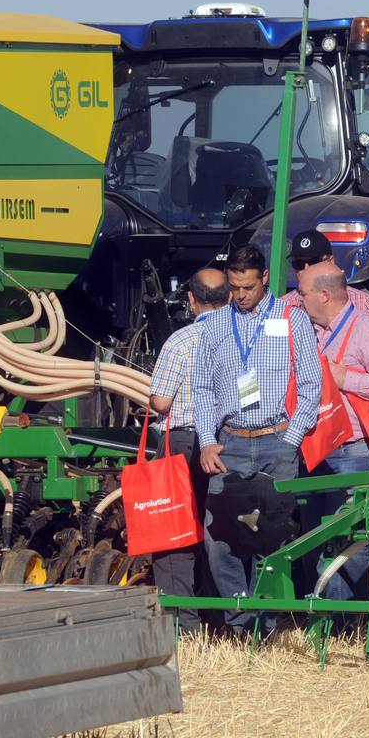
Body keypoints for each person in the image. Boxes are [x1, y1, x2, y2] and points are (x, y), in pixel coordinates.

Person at [191, 244, 322, 634]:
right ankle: (239, 623)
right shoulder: (213, 326)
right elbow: (201, 390)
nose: (241, 295)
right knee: (220, 538)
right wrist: (206, 441)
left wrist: (291, 440)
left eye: (248, 287)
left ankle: (268, 625)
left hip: (275, 441)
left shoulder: (291, 319)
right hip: (228, 443)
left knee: (272, 537)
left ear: (264, 278)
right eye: (234, 287)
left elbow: (313, 385)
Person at [296, 262, 369, 600]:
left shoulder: (366, 329)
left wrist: (346, 379)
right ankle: (339, 622)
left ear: (324, 295)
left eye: (303, 294)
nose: (298, 301)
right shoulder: (312, 331)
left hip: (352, 451)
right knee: (320, 539)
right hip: (315, 449)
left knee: (353, 542)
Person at [146, 268, 229, 634]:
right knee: (221, 531)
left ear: (192, 300)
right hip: (227, 443)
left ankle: (184, 625)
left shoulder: (180, 341)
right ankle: (224, 618)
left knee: (175, 533)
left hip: (180, 443)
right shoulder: (237, 339)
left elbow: (161, 403)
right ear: (229, 297)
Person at [281, 229, 369, 316]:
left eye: (313, 262)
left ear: (330, 261)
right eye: (299, 263)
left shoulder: (361, 303)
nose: (307, 269)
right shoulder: (282, 308)